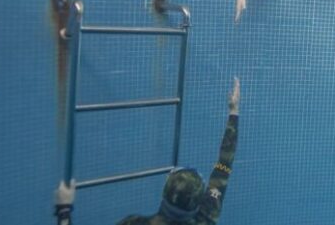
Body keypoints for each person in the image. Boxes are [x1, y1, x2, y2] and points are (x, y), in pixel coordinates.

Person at [53, 77, 241, 225]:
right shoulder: (207, 217)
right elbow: (223, 167)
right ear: (199, 204)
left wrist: (63, 210)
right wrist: (234, 112)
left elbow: (223, 167)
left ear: (164, 192)